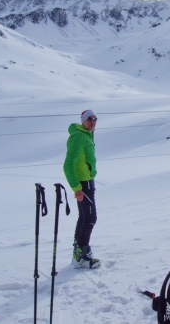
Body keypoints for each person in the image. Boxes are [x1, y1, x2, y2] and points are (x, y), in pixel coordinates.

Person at [63, 109, 101, 269]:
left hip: (87, 182)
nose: (92, 122)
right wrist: (77, 188)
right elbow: (68, 165)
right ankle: (82, 255)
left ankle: (78, 252)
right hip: (83, 184)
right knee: (90, 218)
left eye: (95, 119)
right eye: (89, 119)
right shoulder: (79, 136)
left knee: (84, 216)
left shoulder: (85, 135)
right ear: (83, 120)